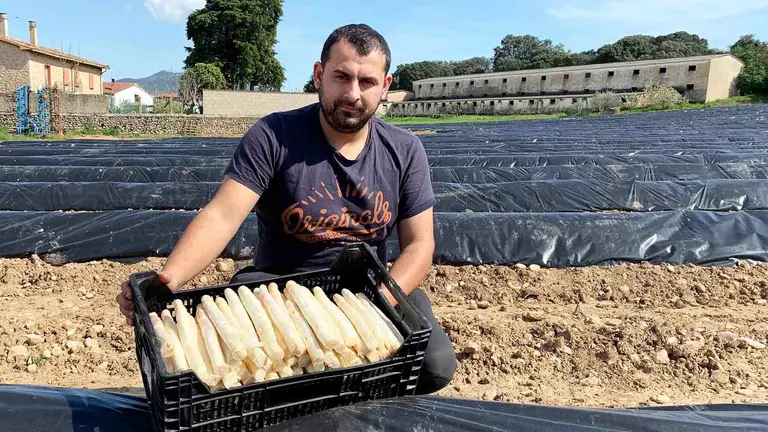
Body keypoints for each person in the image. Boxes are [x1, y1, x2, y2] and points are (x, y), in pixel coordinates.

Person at [116, 23, 457, 394]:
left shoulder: (405, 150)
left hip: (366, 293)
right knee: (257, 368)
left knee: (434, 365)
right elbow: (223, 214)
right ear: (318, 74)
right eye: (341, 77)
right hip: (277, 289)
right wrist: (169, 279)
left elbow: (420, 245)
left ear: (386, 86)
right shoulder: (274, 136)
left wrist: (379, 301)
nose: (353, 94)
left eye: (367, 82)